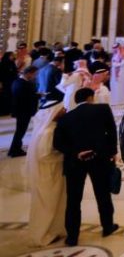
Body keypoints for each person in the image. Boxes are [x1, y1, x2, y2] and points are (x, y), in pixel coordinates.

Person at [53, 88, 118, 245]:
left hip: (74, 163)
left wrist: (76, 153)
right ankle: (107, 226)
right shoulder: (103, 109)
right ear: (90, 98)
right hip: (99, 159)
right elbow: (112, 132)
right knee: (103, 195)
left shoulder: (65, 118)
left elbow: (58, 143)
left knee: (73, 200)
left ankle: (72, 236)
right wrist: (112, 152)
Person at [27, 99, 66, 246]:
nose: (64, 111)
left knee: (53, 204)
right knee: (47, 205)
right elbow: (44, 155)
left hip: (51, 172)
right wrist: (65, 156)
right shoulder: (47, 132)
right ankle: (42, 235)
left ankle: (53, 231)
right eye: (61, 109)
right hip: (48, 174)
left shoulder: (49, 128)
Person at [9, 64, 39, 157]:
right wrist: (37, 95)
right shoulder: (24, 84)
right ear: (29, 73)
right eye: (34, 74)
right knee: (20, 131)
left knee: (20, 131)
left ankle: (14, 149)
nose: (35, 76)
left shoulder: (17, 81)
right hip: (23, 111)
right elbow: (27, 98)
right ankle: (15, 150)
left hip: (20, 110)